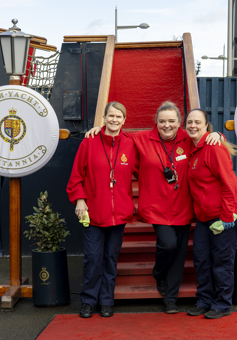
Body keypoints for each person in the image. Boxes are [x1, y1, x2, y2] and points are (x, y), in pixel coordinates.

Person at [85, 102, 223, 314]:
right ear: (156, 123)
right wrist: (98, 129)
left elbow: (205, 139)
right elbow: (114, 134)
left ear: (179, 123)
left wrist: (218, 134)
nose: (166, 125)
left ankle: (170, 299)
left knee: (179, 255)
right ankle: (159, 274)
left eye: (171, 121)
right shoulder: (141, 138)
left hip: (184, 205)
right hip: (156, 206)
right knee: (168, 244)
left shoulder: (189, 139)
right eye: (162, 121)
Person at [66, 102, 137, 318]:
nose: (115, 120)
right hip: (94, 213)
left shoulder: (131, 144)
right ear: (104, 118)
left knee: (110, 260)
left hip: (119, 215)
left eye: (119, 117)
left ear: (124, 120)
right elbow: (76, 177)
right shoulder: (89, 142)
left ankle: (107, 301)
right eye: (111, 116)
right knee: (93, 259)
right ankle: (88, 301)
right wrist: (80, 200)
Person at [185, 108, 237, 319]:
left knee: (222, 261)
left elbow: (229, 183)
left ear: (206, 126)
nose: (193, 125)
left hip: (225, 215)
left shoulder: (213, 148)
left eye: (197, 122)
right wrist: (219, 133)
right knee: (201, 260)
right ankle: (204, 300)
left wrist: (228, 216)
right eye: (189, 122)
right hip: (204, 217)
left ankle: (222, 304)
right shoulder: (193, 146)